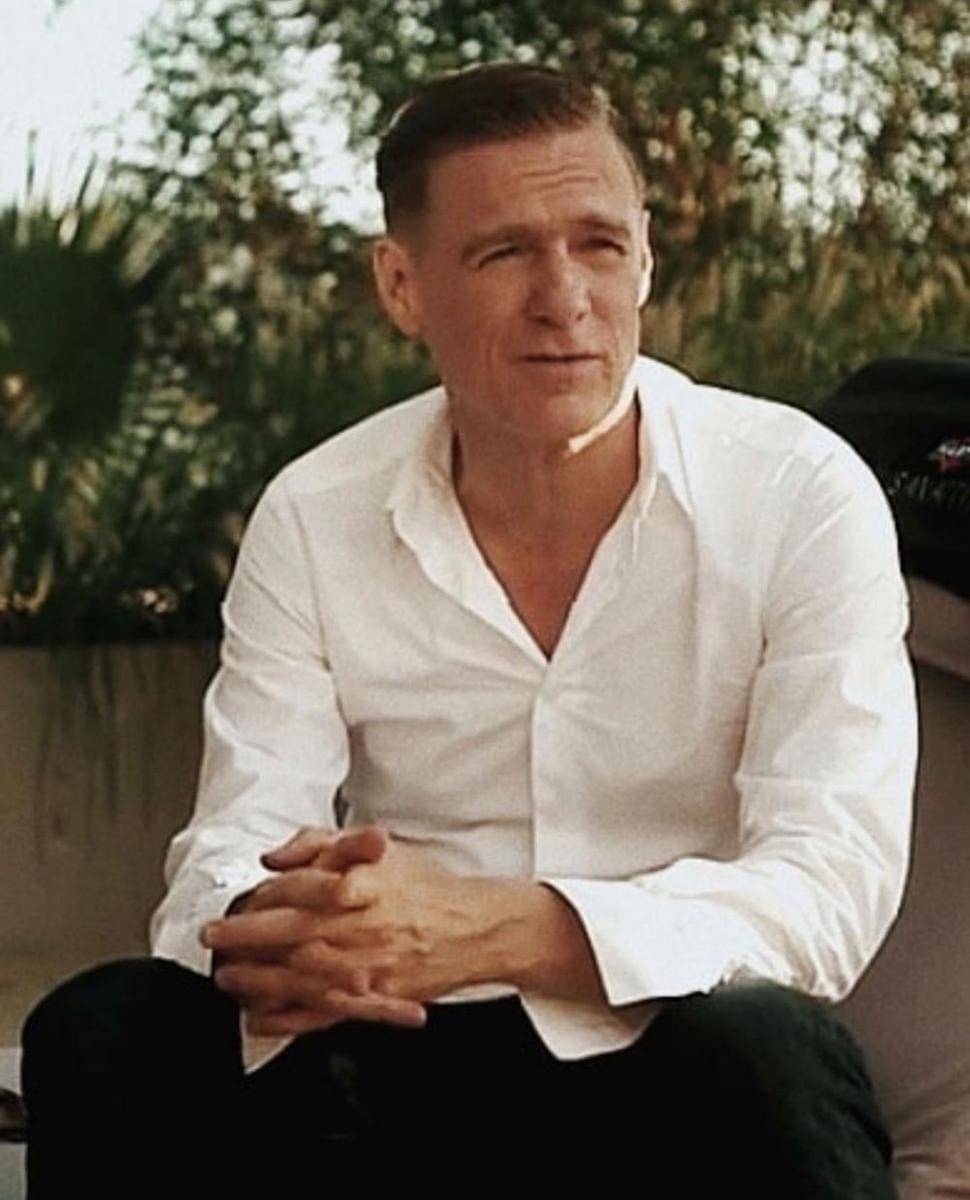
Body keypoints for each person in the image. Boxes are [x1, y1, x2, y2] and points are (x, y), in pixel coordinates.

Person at [21, 62, 917, 1196]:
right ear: (402, 285)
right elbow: (230, 847)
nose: (564, 298)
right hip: (384, 1045)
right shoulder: (315, 512)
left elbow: (828, 887)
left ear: (645, 258)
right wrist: (282, 919)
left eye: (598, 244)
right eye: (504, 254)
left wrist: (497, 929)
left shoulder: (797, 491)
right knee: (105, 1029)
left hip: (673, 1045)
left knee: (769, 1052)